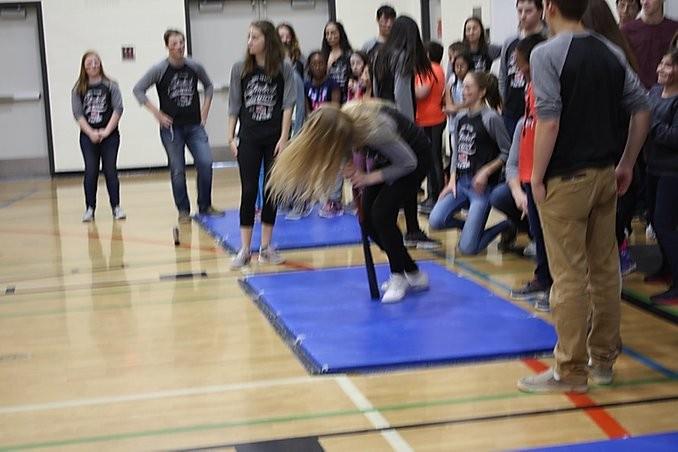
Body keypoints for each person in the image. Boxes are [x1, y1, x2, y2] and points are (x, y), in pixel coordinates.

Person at [517, 0, 650, 394]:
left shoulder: (545, 53)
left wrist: (536, 177)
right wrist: (627, 162)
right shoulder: (611, 51)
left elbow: (549, 120)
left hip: (566, 180)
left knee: (569, 277)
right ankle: (603, 360)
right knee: (605, 272)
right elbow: (642, 109)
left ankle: (570, 369)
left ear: (549, 8)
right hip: (605, 175)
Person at [267, 100, 431, 303]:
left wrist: (367, 178)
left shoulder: (374, 131)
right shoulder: (343, 127)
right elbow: (342, 148)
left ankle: (398, 275)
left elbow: (408, 163)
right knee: (367, 221)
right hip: (387, 158)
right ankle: (412, 272)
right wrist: (348, 166)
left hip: (414, 159)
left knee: (381, 215)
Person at [133, 29, 222, 223]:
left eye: (181, 42)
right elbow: (138, 89)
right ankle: (183, 210)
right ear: (167, 46)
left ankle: (205, 205)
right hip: (172, 129)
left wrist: (205, 111)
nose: (179, 47)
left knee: (205, 163)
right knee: (177, 170)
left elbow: (208, 86)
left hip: (194, 126)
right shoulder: (159, 69)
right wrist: (157, 113)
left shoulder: (194, 66)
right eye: (174, 44)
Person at [227, 21, 296, 268]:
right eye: (248, 37)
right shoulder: (240, 68)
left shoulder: (283, 68)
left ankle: (266, 247)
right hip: (249, 137)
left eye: (254, 37)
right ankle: (245, 249)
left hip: (274, 138)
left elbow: (288, 104)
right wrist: (230, 136)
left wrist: (284, 137)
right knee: (248, 191)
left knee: (270, 191)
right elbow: (234, 104)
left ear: (267, 40)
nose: (250, 42)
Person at [492, 34, 551, 310]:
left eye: (521, 64)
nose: (518, 69)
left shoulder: (547, 90)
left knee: (551, 237)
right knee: (539, 233)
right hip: (528, 176)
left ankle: (556, 287)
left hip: (544, 177)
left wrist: (537, 179)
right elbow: (514, 159)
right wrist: (521, 188)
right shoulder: (528, 91)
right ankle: (543, 278)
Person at [373, 15, 440, 249]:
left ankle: (400, 228)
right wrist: (410, 129)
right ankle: (411, 229)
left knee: (394, 174)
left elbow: (376, 91)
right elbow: (401, 94)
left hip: (381, 118)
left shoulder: (379, 55)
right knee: (410, 173)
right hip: (398, 123)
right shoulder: (402, 57)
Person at [428, 71, 512, 255]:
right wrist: (451, 179)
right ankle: (471, 230)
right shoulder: (460, 118)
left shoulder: (491, 118)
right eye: (463, 87)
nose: (463, 92)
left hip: (482, 189)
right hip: (461, 183)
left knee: (468, 249)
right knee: (435, 220)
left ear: (481, 92)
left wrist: (486, 171)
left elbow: (508, 152)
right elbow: (456, 152)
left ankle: (507, 225)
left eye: (468, 88)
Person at [72, 51, 125, 222]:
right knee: (91, 170)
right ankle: (90, 208)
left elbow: (118, 109)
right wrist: (91, 132)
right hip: (88, 137)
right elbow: (78, 114)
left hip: (110, 136)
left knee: (110, 170)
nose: (93, 65)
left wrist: (106, 131)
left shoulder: (110, 85)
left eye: (96, 62)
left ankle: (116, 207)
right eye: (89, 63)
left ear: (100, 64)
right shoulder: (78, 89)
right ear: (84, 67)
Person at [644, 49, 678, 304]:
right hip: (652, 167)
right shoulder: (654, 93)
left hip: (672, 172)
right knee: (654, 220)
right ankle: (666, 267)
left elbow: (674, 137)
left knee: (666, 225)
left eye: (667, 65)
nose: (660, 69)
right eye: (661, 63)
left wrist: (651, 124)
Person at [498, 0, 546, 136]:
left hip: (537, 111)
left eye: (528, 11)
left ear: (540, 12)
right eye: (520, 11)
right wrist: (503, 101)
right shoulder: (510, 42)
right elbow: (503, 74)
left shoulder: (547, 40)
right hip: (511, 110)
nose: (523, 16)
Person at [415, 41, 447, 214]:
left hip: (431, 119)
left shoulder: (431, 68)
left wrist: (405, 87)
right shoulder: (436, 69)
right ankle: (432, 196)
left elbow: (422, 92)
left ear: (427, 54)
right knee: (432, 159)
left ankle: (436, 197)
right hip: (429, 119)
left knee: (433, 159)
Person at [622, 0, 678, 89]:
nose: (645, 2)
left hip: (668, 92)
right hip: (636, 91)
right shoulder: (627, 30)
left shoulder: (675, 30)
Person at [322, 21, 353, 104]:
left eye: (333, 33)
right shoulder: (323, 55)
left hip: (344, 98)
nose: (330, 36)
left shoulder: (348, 55)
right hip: (326, 98)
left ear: (340, 34)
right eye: (327, 34)